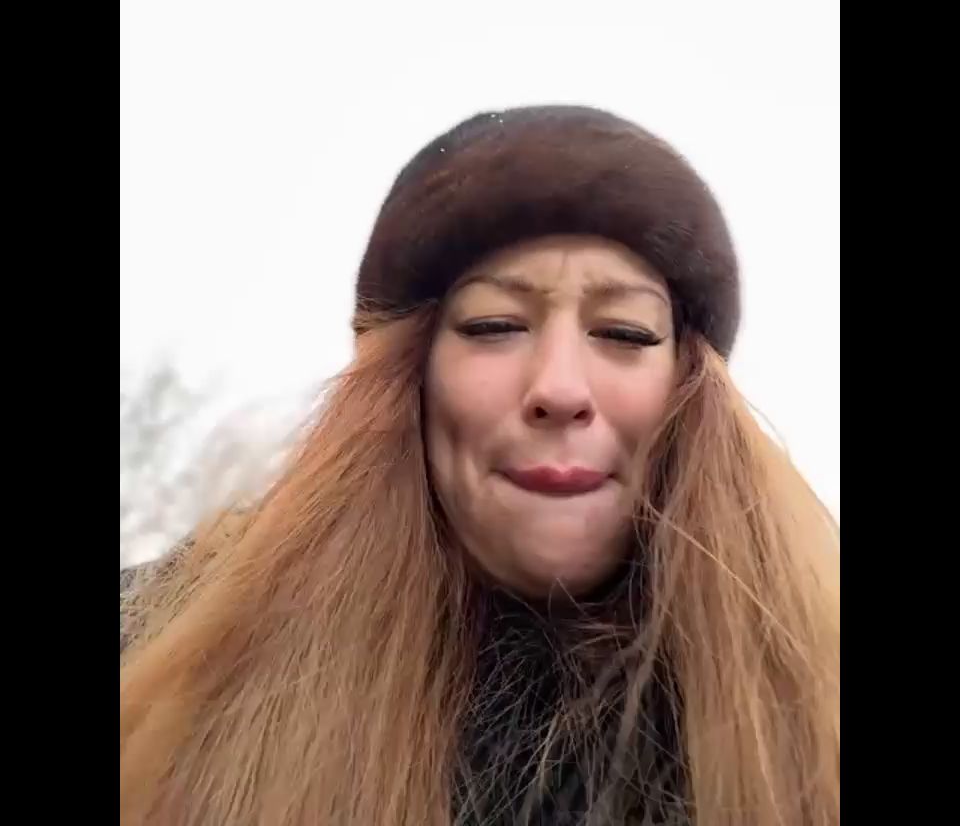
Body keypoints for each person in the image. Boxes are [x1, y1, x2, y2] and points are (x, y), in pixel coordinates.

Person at [120, 106, 840, 826]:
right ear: (409, 378)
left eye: (625, 332)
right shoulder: (155, 665)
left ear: (690, 386)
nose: (560, 388)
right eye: (494, 326)